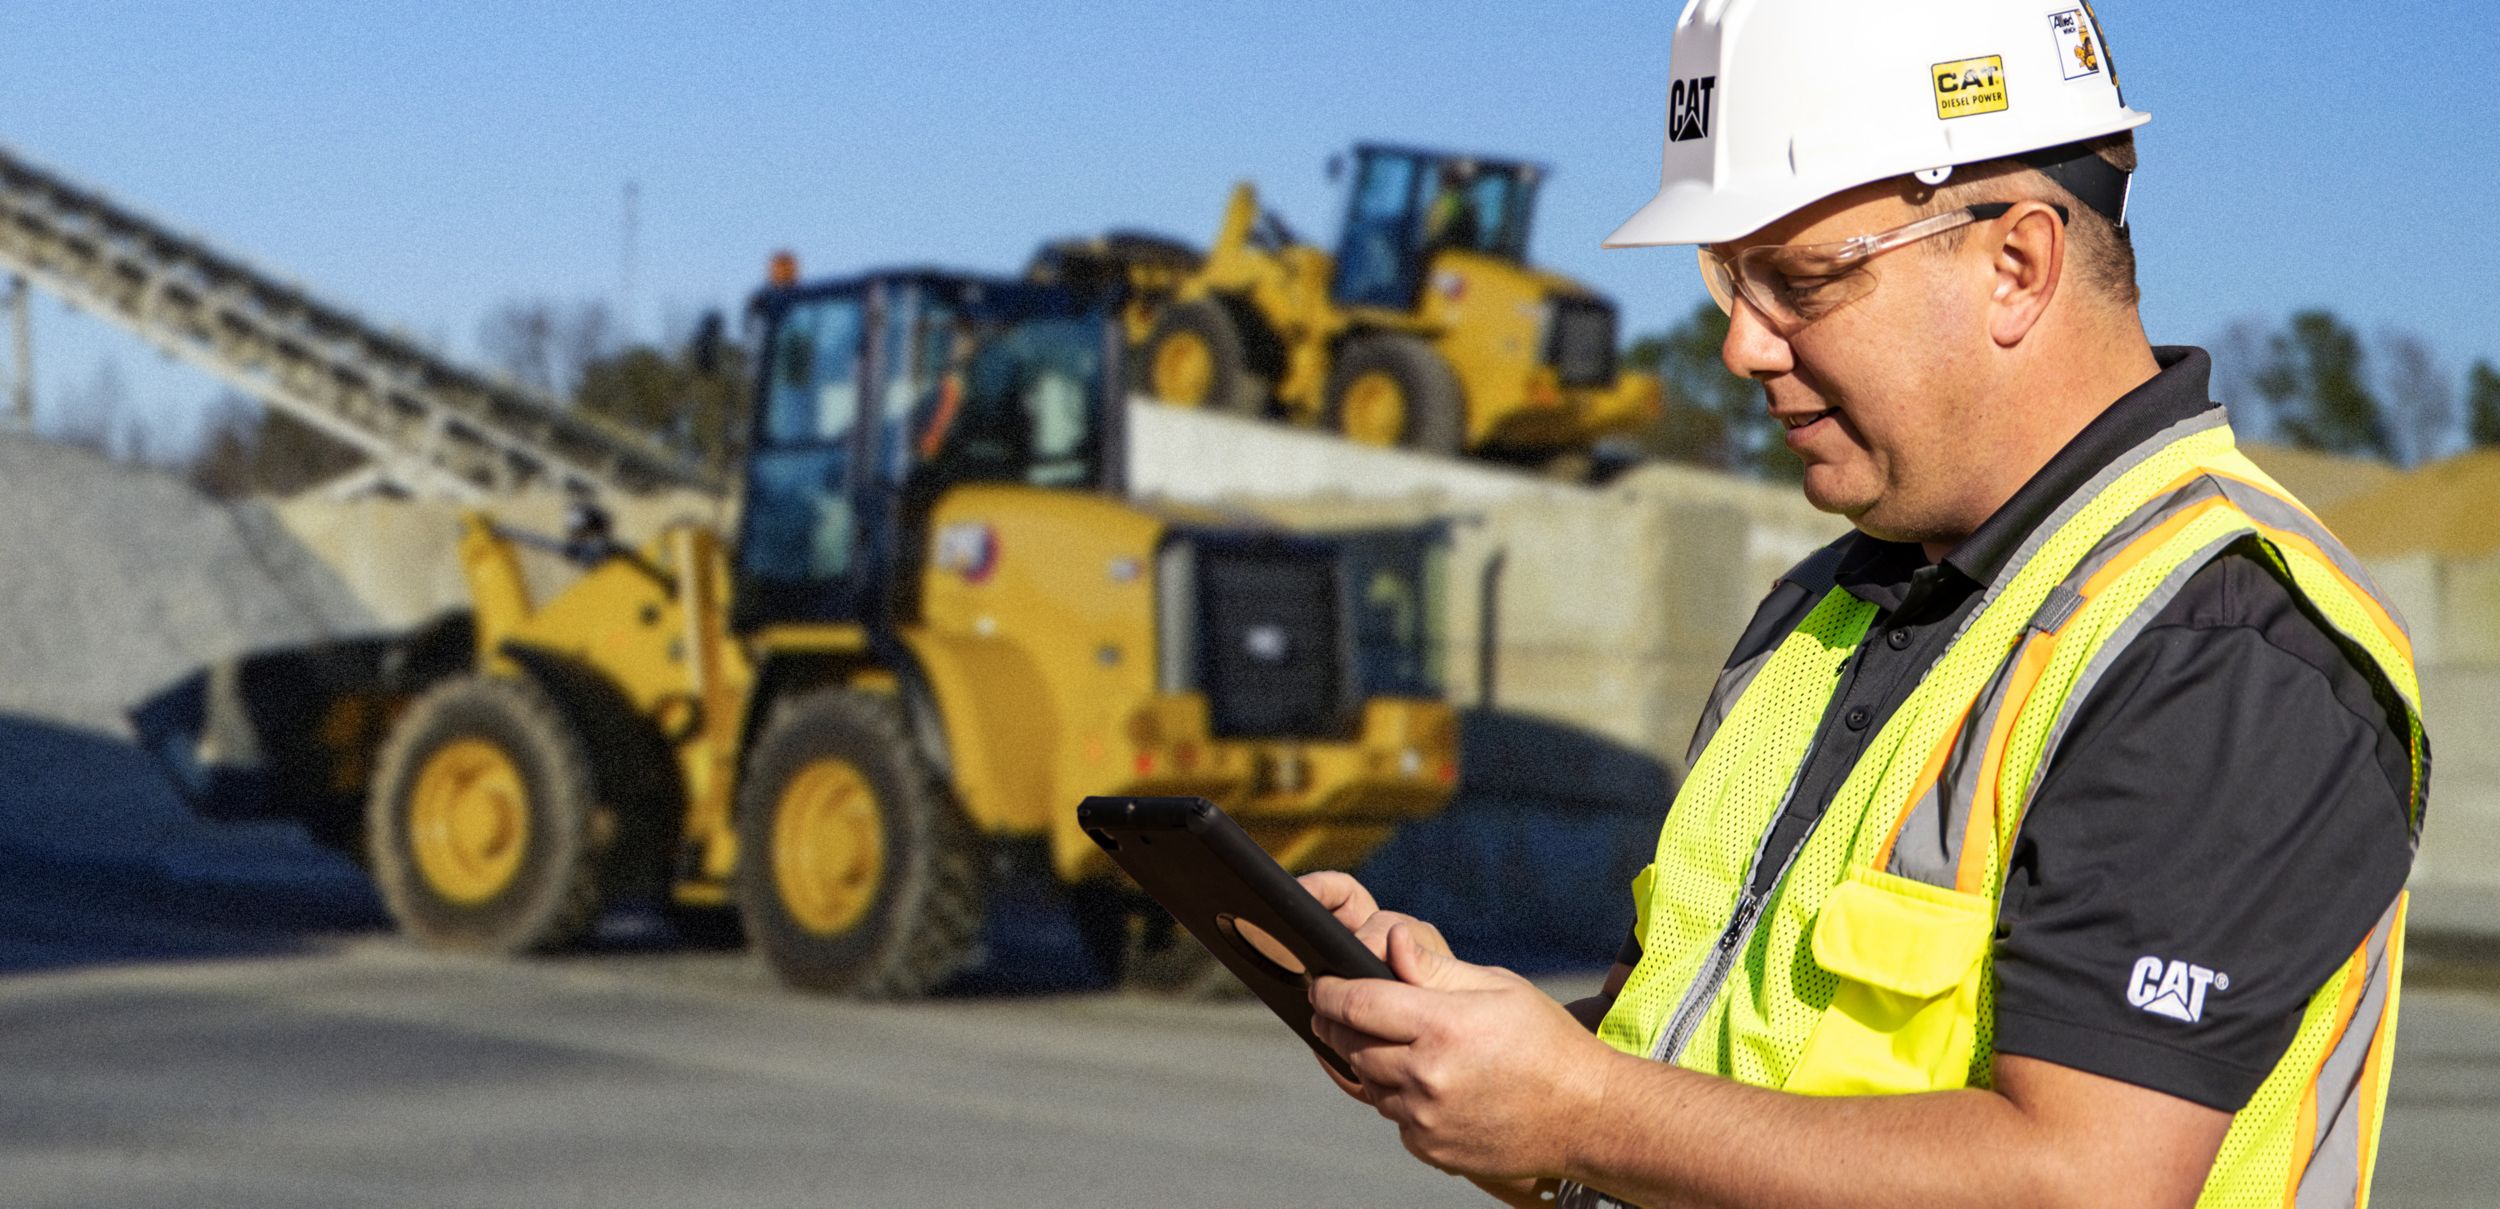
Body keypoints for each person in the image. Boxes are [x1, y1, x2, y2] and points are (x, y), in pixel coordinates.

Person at [1299, 3, 2428, 1205]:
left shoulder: (2214, 644)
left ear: (2016, 264)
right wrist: (1475, 1055)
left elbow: (2084, 1181)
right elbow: (1696, 1072)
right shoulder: (1826, 608)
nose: (1740, 346)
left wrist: (1579, 1111)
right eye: (1727, 281)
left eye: (1799, 281)